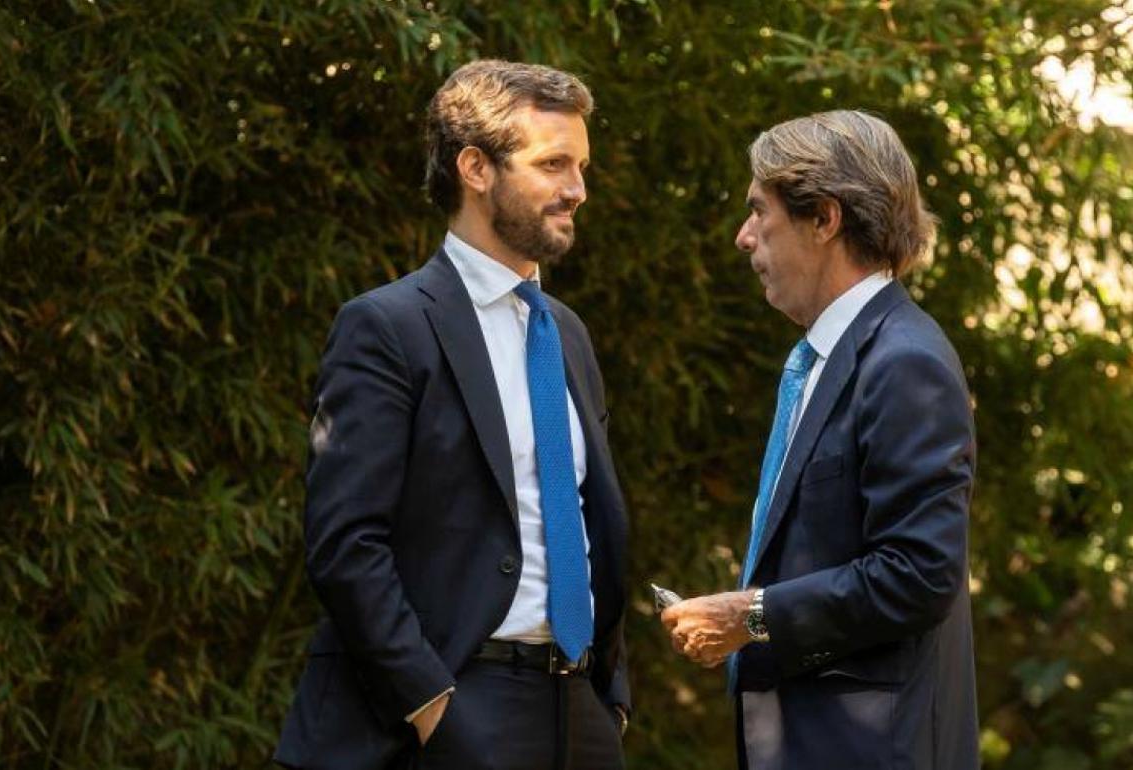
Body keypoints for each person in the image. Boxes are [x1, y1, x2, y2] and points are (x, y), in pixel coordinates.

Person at [273, 59, 630, 770]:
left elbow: (588, 519)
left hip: (577, 706)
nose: (577, 190)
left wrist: (610, 696)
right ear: (475, 168)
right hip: (448, 703)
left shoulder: (568, 334)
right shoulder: (387, 327)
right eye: (553, 164)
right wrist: (430, 704)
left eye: (581, 167)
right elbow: (346, 542)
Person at [661, 110, 979, 770]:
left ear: (825, 218)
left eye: (759, 211)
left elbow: (919, 574)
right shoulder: (827, 359)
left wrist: (750, 615)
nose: (744, 237)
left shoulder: (904, 361)